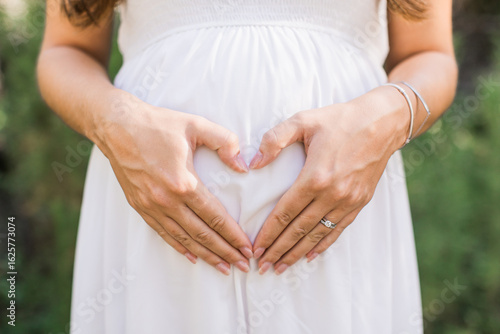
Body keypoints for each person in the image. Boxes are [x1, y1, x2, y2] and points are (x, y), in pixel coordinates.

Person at [37, 0, 457, 333]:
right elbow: (64, 49)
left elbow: (430, 53)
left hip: (340, 217)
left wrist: (383, 120)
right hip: (155, 216)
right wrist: (115, 123)